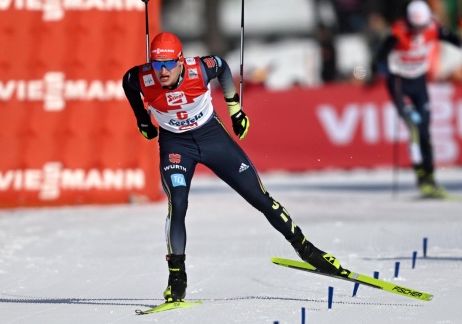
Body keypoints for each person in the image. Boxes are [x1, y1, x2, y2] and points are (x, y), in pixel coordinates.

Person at [122, 32, 348, 304]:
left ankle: (308, 251)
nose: (162, 72)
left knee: (259, 198)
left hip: (211, 138)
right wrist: (142, 119)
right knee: (178, 204)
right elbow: (127, 82)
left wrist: (235, 109)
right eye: (157, 65)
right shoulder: (143, 77)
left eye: (168, 64)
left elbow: (223, 66)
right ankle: (177, 277)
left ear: (181, 60)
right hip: (176, 146)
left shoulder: (200, 69)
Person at [369, 0, 461, 198]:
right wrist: (379, 67)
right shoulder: (399, 31)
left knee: (426, 130)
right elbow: (380, 55)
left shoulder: (433, 28)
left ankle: (431, 177)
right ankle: (421, 177)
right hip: (400, 83)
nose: (420, 30)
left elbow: (454, 39)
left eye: (423, 26)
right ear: (410, 22)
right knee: (414, 128)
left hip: (418, 83)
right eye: (416, 26)